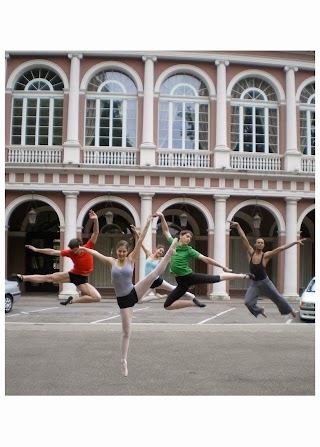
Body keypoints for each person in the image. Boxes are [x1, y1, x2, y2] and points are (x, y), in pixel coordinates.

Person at [80, 215, 178, 377]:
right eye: (119, 251)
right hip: (124, 301)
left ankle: (169, 252)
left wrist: (147, 223)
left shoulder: (131, 259)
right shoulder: (111, 261)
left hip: (134, 291)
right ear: (116, 251)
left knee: (153, 274)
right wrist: (84, 249)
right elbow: (95, 253)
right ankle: (123, 361)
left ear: (127, 252)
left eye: (124, 251)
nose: (121, 253)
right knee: (126, 332)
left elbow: (140, 241)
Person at [156, 212, 255, 310]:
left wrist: (222, 266)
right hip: (181, 282)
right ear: (180, 236)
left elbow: (206, 259)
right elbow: (165, 230)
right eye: (187, 236)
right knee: (167, 306)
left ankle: (244, 276)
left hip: (189, 276)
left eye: (190, 238)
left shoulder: (189, 250)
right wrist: (162, 216)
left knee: (216, 278)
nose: (189, 239)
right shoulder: (174, 244)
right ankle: (192, 303)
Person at [10, 209, 102, 305]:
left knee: (97, 298)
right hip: (73, 275)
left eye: (76, 250)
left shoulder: (88, 247)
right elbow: (52, 251)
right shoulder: (70, 252)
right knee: (48, 278)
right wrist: (37, 250)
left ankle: (72, 300)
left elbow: (95, 233)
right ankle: (21, 277)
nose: (75, 252)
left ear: (80, 246)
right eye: (73, 250)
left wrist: (95, 220)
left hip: (82, 279)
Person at [228, 220, 305, 318]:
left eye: (262, 243)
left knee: (277, 297)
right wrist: (238, 226)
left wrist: (295, 242)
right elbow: (243, 238)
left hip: (265, 282)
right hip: (254, 284)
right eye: (258, 242)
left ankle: (291, 310)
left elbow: (280, 248)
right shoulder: (251, 253)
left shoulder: (265, 255)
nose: (260, 244)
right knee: (247, 302)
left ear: (263, 245)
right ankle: (259, 310)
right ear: (255, 245)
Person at [130, 224, 196, 303]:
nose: (161, 252)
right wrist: (135, 232)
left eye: (162, 252)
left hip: (156, 280)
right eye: (160, 250)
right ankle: (157, 297)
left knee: (173, 288)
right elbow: (141, 242)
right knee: (139, 301)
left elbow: (172, 258)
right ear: (156, 249)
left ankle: (191, 296)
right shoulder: (149, 254)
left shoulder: (161, 259)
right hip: (148, 281)